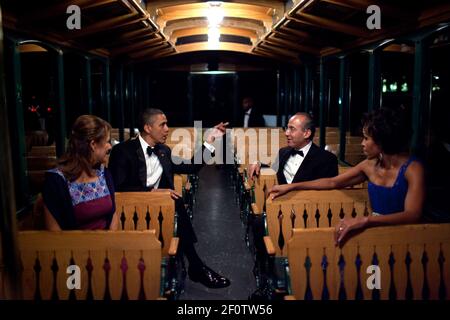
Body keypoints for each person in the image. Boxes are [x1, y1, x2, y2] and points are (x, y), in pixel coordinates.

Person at [108, 108, 231, 289]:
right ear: (148, 128)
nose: (167, 129)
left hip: (161, 211)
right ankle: (195, 266)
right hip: (132, 212)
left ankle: (193, 265)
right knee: (175, 203)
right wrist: (151, 192)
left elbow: (191, 166)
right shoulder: (122, 151)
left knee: (175, 201)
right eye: (162, 124)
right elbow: (117, 188)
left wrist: (210, 140)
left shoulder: (163, 150)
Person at [268, 108, 425, 244]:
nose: (362, 144)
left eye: (366, 138)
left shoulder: (413, 169)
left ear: (381, 140)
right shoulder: (368, 165)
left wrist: (365, 220)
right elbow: (331, 182)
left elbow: (413, 215)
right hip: (372, 230)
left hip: (404, 236)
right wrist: (291, 187)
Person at [42, 115, 117, 230]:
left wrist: (110, 244)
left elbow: (113, 215)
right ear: (93, 145)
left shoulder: (104, 173)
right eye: (107, 141)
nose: (110, 146)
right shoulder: (56, 181)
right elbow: (54, 234)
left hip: (106, 245)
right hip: (72, 246)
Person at [248, 112, 338, 184]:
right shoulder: (283, 152)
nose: (286, 133)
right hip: (280, 204)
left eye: (292, 129)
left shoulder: (327, 159)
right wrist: (258, 163)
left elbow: (327, 194)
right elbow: (273, 170)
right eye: (287, 128)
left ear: (306, 133)